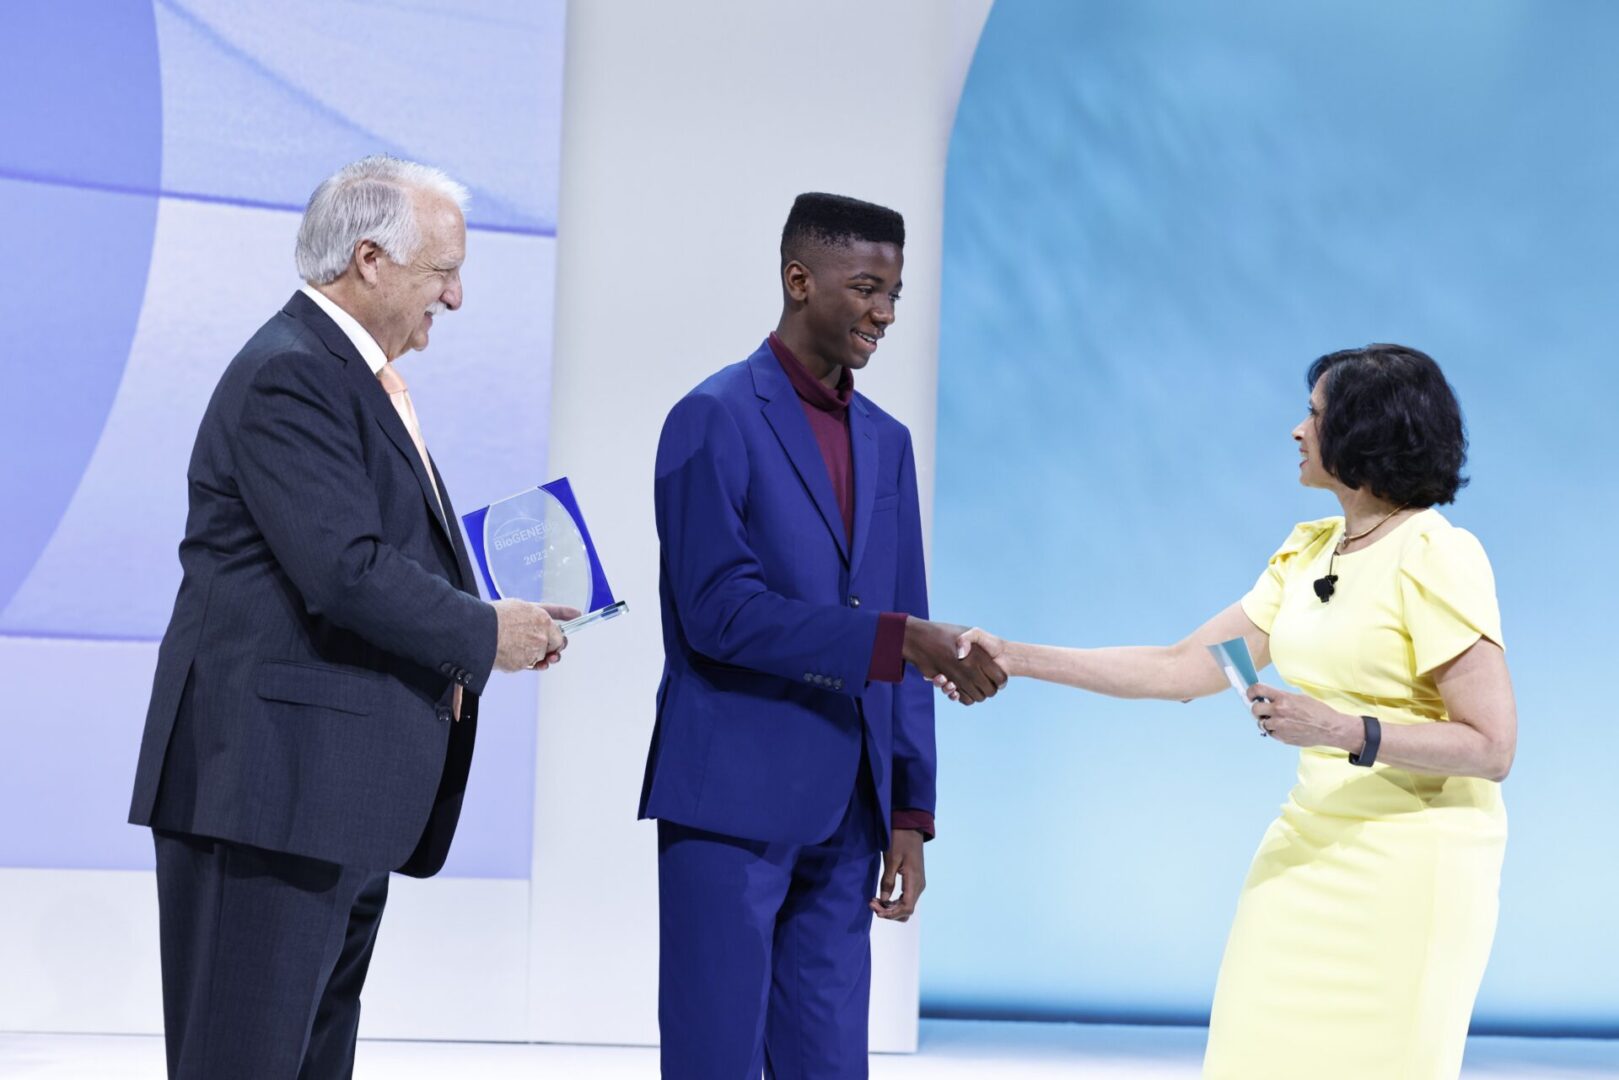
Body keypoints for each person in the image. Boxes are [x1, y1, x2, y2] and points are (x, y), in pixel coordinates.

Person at [946, 345, 1515, 1080]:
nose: (1295, 430)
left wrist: (1343, 731)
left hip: (1412, 866)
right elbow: (1181, 666)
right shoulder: (1309, 552)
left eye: (1312, 414)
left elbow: (1491, 745)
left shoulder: (1437, 554)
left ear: (1364, 431)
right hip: (1306, 850)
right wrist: (1013, 656)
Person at [127, 154, 576, 1079]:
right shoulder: (290, 375)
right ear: (369, 259)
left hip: (331, 802)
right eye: (441, 271)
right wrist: (487, 633)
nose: (453, 297)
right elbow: (346, 570)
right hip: (266, 795)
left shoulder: (342, 375)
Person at [641, 192, 1006, 1079]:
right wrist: (895, 640)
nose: (883, 313)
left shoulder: (887, 442)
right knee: (714, 1059)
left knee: (830, 1064)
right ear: (798, 280)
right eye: (866, 288)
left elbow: (906, 609)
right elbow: (719, 612)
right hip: (727, 801)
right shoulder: (713, 416)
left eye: (895, 293)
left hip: (849, 812)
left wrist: (910, 811)